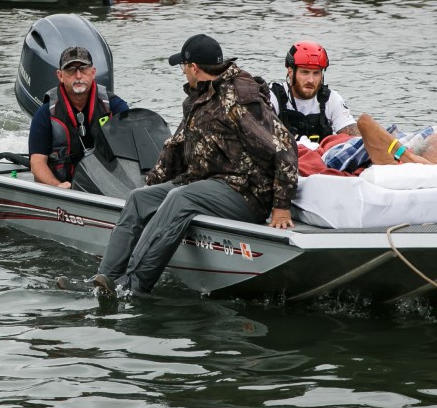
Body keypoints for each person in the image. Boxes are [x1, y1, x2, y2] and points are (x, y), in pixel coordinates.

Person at [90, 34, 298, 298]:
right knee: (139, 199)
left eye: (183, 67)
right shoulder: (198, 98)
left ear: (194, 68)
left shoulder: (239, 99)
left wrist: (281, 206)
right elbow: (175, 147)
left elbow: (285, 148)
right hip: (206, 183)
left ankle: (132, 287)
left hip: (245, 192)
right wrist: (153, 186)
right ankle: (104, 280)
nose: (183, 72)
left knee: (180, 199)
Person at [28, 45, 131, 188]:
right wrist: (58, 186)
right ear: (60, 76)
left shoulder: (115, 106)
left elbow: (132, 147)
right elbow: (37, 162)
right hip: (64, 189)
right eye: (71, 70)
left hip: (107, 188)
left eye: (83, 69)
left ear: (93, 72)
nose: (78, 76)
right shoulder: (44, 114)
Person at [269, 41, 357, 145]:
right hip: (285, 157)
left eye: (316, 73)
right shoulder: (273, 96)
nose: (311, 80)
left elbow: (354, 138)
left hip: (321, 158)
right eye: (305, 72)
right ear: (291, 72)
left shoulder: (331, 99)